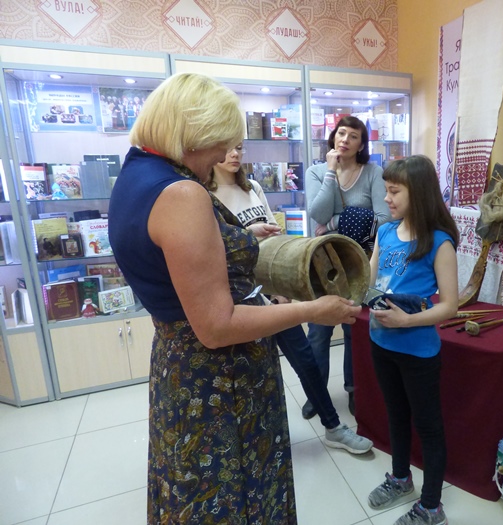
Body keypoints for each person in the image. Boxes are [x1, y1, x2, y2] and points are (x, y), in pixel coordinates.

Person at [108, 72, 361, 524]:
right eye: (220, 143)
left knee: (192, 489)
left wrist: (246, 251)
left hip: (177, 365)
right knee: (233, 492)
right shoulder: (182, 194)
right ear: (195, 134)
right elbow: (217, 326)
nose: (224, 154)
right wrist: (313, 310)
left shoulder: (135, 176)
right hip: (219, 383)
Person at [206, 143, 373, 455]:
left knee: (305, 359)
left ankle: (334, 427)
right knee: (253, 371)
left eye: (239, 147)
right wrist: (249, 233)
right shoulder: (206, 196)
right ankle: (256, 442)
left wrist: (280, 289)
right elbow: (214, 251)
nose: (235, 154)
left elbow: (275, 239)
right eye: (227, 148)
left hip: (271, 289)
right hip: (238, 298)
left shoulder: (253, 187)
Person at [365, 155, 459, 525]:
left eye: (394, 191)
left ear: (417, 193)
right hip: (381, 343)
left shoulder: (439, 243)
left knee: (429, 426)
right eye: (386, 190)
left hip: (418, 352)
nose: (386, 198)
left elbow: (449, 306)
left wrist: (407, 320)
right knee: (396, 415)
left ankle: (432, 507)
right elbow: (369, 280)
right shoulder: (386, 232)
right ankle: (401, 478)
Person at [305, 115, 390, 417]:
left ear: (361, 144)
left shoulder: (373, 173)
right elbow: (317, 212)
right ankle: (316, 394)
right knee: (318, 331)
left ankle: (355, 390)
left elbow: (384, 219)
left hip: (359, 264)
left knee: (354, 330)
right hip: (322, 262)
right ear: (333, 137)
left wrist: (335, 223)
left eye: (353, 136)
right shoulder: (316, 171)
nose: (345, 140)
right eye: (341, 133)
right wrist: (331, 171)